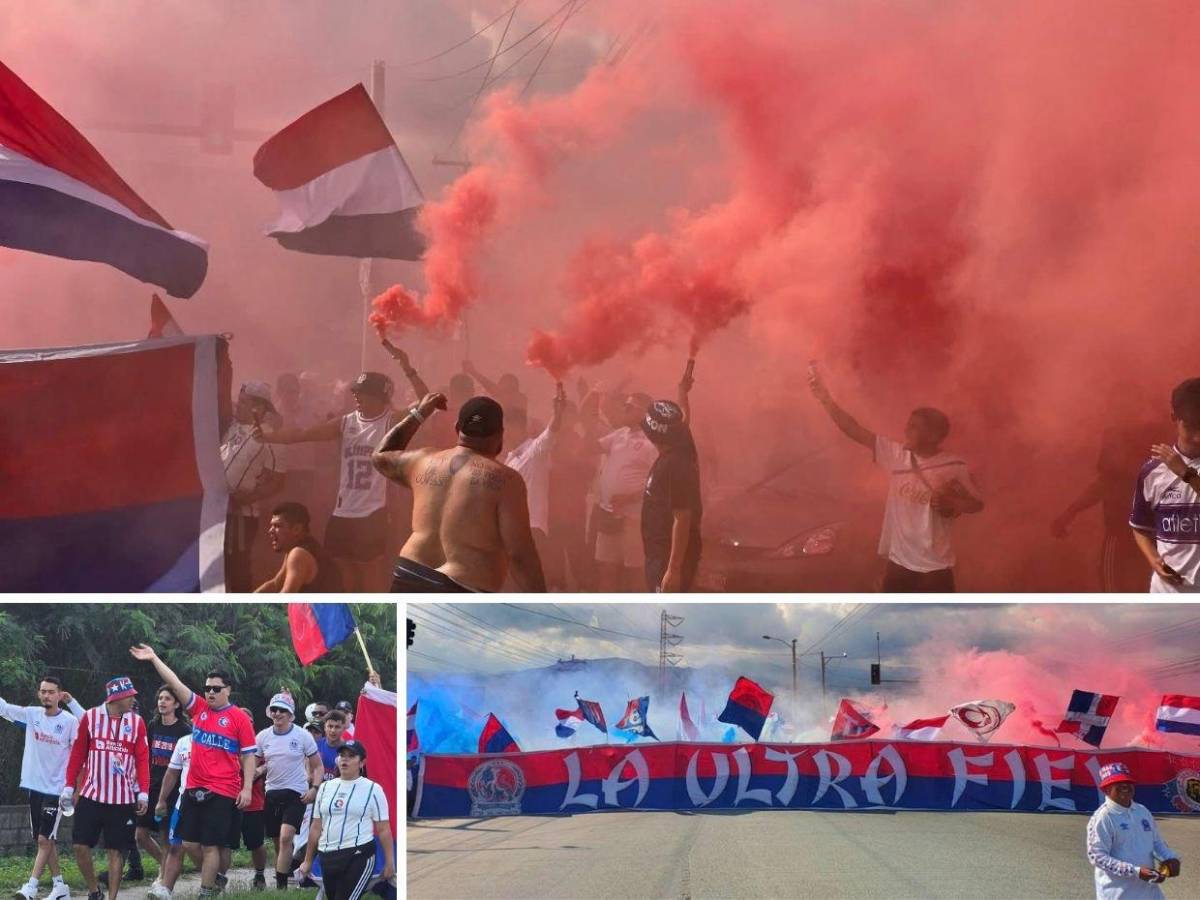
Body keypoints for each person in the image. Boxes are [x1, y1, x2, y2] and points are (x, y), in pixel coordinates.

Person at [809, 365, 984, 591]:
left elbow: (977, 504)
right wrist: (825, 400)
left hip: (935, 569)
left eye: (914, 428)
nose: (906, 431)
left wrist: (953, 503)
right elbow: (852, 428)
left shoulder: (954, 466)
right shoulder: (896, 455)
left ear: (933, 436)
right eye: (908, 425)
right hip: (898, 565)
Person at [371, 393, 546, 592]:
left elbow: (380, 455)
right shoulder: (506, 481)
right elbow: (520, 555)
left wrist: (420, 413)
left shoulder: (423, 461)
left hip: (409, 574)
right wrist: (542, 604)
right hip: (462, 586)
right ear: (500, 435)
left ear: (457, 428)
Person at [128, 646, 256, 900]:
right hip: (192, 788)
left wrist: (248, 787)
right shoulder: (199, 709)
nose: (210, 692)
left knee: (210, 846)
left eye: (216, 689)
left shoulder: (238, 718)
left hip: (223, 790)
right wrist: (154, 658)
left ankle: (206, 892)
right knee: (187, 843)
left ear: (228, 690)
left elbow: (248, 755)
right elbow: (174, 682)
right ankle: (215, 877)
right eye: (207, 688)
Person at [257, 372, 400, 592]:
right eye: (355, 392)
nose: (356, 397)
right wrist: (270, 437)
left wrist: (407, 367)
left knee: (370, 572)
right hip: (343, 512)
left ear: (379, 397)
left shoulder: (391, 421)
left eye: (362, 393)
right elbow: (303, 434)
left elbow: (422, 410)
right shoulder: (346, 422)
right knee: (343, 571)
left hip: (373, 511)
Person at [62, 676, 150, 900]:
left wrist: (144, 792)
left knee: (116, 851)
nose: (133, 700)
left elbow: (142, 758)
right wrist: (68, 786)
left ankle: (112, 897)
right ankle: (94, 891)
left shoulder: (136, 722)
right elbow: (77, 755)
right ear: (118, 697)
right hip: (91, 795)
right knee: (80, 846)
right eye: (130, 696)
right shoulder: (90, 718)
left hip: (122, 799)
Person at [1052, 419, 1163, 591]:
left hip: (1126, 538)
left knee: (1116, 589)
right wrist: (1068, 514)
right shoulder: (1136, 472)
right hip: (1143, 539)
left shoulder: (1130, 473)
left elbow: (1096, 490)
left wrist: (1068, 514)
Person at [0, 676, 81, 900]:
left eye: (51, 692)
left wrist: (76, 789)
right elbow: (4, 708)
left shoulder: (70, 722)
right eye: (43, 691)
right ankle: (60, 887)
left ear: (59, 695)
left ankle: (31, 887)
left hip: (56, 790)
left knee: (44, 839)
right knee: (45, 839)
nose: (46, 695)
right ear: (39, 694)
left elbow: (80, 754)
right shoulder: (31, 715)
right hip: (33, 787)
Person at [296, 742, 394, 900]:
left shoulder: (373, 789)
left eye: (351, 756)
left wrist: (390, 863)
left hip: (358, 854)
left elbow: (383, 829)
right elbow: (316, 826)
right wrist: (307, 861)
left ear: (362, 762)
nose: (344, 760)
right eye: (342, 755)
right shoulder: (325, 787)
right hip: (327, 856)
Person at [1130, 377, 1200, 592]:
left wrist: (1185, 473)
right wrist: (1154, 560)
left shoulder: (1180, 469)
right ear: (1174, 418)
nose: (1198, 437)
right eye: (1190, 427)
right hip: (1167, 593)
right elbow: (1139, 526)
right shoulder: (1152, 471)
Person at [641, 362, 704, 592]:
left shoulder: (674, 465)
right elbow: (684, 421)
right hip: (660, 554)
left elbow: (682, 517)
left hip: (667, 557)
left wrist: (673, 569)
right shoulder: (680, 446)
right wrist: (682, 393)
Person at [221, 381, 288, 592]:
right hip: (217, 511)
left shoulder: (271, 437)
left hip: (242, 516)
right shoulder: (231, 425)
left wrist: (247, 498)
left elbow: (278, 481)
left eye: (243, 402)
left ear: (257, 408)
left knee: (237, 569)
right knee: (217, 568)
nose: (237, 406)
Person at [255, 691, 322, 889]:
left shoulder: (302, 736)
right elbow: (255, 762)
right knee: (279, 842)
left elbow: (318, 766)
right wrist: (253, 774)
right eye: (274, 709)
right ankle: (285, 874)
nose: (277, 713)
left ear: (290, 715)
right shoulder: (263, 736)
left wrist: (314, 789)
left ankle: (281, 887)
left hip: (296, 794)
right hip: (272, 793)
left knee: (285, 838)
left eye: (282, 710)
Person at [1086, 762, 1181, 898]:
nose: (1125, 786)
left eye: (1128, 782)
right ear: (1105, 789)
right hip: (1118, 894)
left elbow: (1156, 843)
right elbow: (1097, 857)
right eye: (1117, 783)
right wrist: (1135, 871)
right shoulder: (1103, 818)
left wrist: (1171, 858)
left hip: (1149, 891)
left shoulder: (1142, 811)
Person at [592, 391, 656, 591]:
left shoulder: (651, 442)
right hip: (609, 513)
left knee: (634, 572)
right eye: (625, 405)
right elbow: (592, 447)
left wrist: (629, 498)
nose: (624, 409)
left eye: (629, 407)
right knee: (606, 567)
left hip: (633, 519)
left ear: (643, 414)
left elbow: (658, 483)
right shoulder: (619, 434)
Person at [137, 686, 191, 879]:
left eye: (167, 699)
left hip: (172, 791)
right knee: (140, 835)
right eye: (160, 698)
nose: (162, 702)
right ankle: (166, 865)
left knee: (166, 837)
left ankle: (164, 877)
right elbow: (145, 755)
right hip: (151, 787)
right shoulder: (153, 725)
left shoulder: (184, 730)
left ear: (176, 703)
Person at [221, 707, 269, 893]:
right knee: (225, 843)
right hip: (228, 800)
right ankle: (221, 878)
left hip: (254, 802)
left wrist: (261, 770)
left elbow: (269, 763)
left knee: (256, 843)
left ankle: (259, 874)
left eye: (247, 721)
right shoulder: (225, 742)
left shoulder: (258, 744)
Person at [147, 732, 197, 900]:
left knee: (201, 847)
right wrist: (161, 800)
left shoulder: (217, 740)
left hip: (210, 802)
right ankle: (166, 890)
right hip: (183, 802)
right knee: (175, 847)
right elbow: (172, 772)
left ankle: (212, 880)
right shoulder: (183, 741)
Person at [255, 502, 344, 593]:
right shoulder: (297, 548)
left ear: (296, 529)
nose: (270, 531)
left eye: (277, 526)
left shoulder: (298, 554)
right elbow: (276, 584)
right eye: (271, 525)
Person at [315, 710, 349, 780]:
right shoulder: (315, 746)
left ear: (343, 729)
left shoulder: (349, 750)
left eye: (337, 727)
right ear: (324, 728)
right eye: (330, 726)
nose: (333, 730)